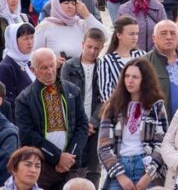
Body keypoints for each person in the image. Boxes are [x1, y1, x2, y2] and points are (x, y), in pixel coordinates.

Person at [16, 48, 89, 188]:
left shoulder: (72, 90)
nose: (50, 71)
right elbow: (27, 135)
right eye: (44, 68)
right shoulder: (24, 99)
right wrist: (57, 157)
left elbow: (82, 124)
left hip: (70, 165)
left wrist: (70, 156)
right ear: (33, 70)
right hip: (42, 167)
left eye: (52, 65)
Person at [96, 58, 169, 190]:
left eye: (135, 77)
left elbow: (162, 144)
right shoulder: (112, 106)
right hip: (119, 167)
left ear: (145, 80)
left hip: (146, 167)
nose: (129, 80)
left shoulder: (156, 107)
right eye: (127, 76)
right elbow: (103, 146)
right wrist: (120, 176)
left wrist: (148, 176)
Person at [59, 28, 104, 186]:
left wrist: (93, 122)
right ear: (82, 44)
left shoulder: (103, 66)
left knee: (94, 168)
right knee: (74, 166)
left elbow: (105, 98)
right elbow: (66, 96)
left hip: (96, 124)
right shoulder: (69, 66)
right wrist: (82, 124)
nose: (92, 51)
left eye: (96, 48)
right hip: (75, 123)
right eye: (89, 46)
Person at [143, 20, 178, 116]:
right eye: (163, 33)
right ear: (154, 38)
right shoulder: (144, 63)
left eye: (173, 33)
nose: (169, 37)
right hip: (160, 121)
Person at [34, 0, 106, 61]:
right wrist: (51, 61)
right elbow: (33, 54)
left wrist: (87, 15)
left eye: (73, 4)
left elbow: (103, 37)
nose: (70, 6)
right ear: (57, 5)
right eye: (66, 3)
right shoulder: (45, 27)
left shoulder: (81, 25)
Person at [0, 24, 34, 105]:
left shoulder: (29, 61)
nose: (30, 42)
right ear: (14, 42)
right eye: (25, 38)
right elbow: (8, 101)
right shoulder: (5, 67)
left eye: (32, 37)